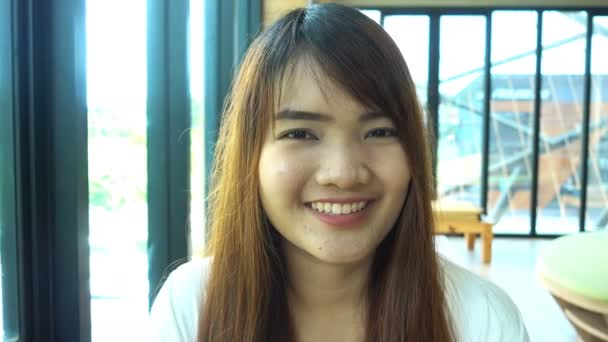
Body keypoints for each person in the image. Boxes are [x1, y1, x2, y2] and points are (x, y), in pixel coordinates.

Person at [148, 4, 530, 342]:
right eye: (300, 133)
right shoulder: (192, 305)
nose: (344, 173)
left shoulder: (481, 319)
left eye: (379, 132)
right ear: (251, 156)